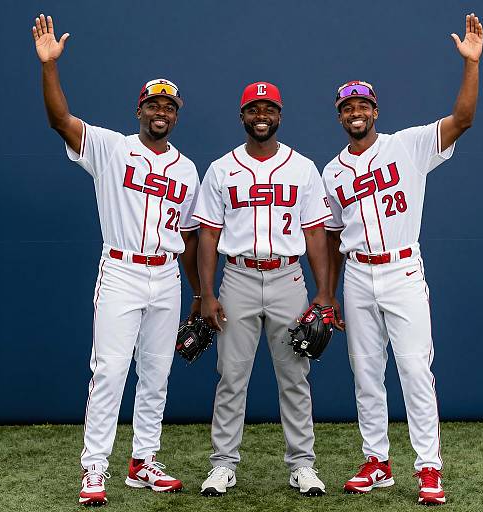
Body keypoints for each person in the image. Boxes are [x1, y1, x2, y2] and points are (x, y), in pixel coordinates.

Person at [32, 13, 201, 506]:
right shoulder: (110, 148)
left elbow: (188, 236)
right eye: (153, 104)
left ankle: (143, 460)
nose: (160, 111)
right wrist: (49, 68)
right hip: (122, 271)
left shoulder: (187, 168)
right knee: (108, 371)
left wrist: (197, 293)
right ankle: (93, 468)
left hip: (166, 276)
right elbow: (59, 120)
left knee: (156, 374)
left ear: (177, 112)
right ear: (139, 109)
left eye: (168, 105)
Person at [322, 13, 483, 506]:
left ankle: (428, 467)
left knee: (415, 369)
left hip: (402, 269)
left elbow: (463, 120)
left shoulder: (408, 145)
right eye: (348, 105)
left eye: (363, 104)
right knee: (366, 372)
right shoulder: (331, 172)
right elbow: (329, 237)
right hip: (358, 273)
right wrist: (328, 295)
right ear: (339, 114)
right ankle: (376, 462)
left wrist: (471, 66)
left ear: (375, 110)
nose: (356, 111)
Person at [193, 81, 344, 497]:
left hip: (288, 277)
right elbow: (207, 234)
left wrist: (324, 293)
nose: (261, 115)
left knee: (296, 375)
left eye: (269, 108)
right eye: (253, 109)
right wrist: (206, 293)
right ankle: (223, 464)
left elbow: (315, 233)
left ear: (279, 116)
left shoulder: (303, 168)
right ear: (242, 116)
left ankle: (302, 465)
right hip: (238, 276)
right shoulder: (222, 168)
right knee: (231, 376)